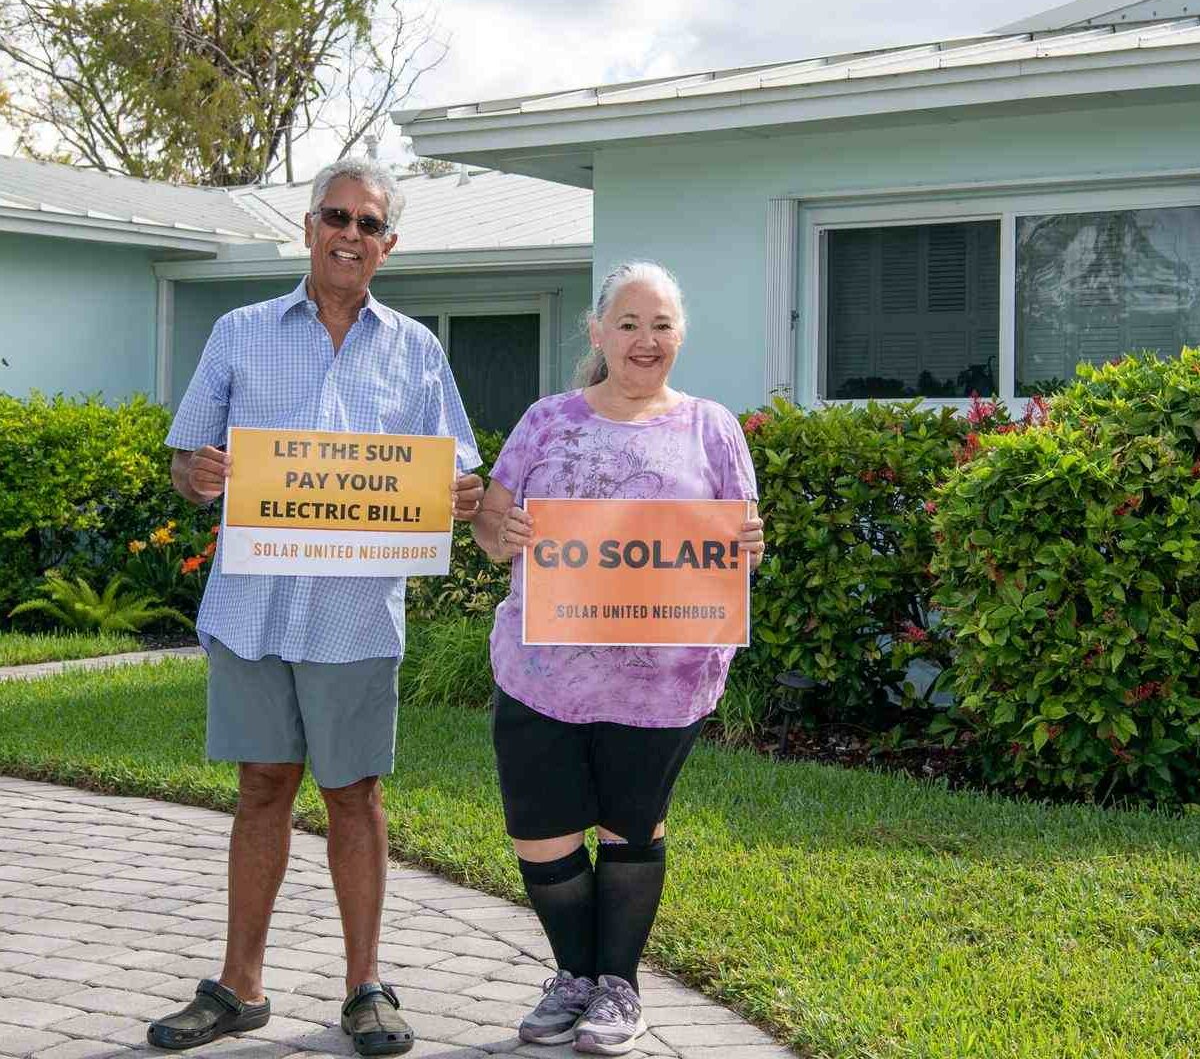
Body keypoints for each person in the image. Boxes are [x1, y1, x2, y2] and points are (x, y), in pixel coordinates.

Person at [146, 158, 483, 1057]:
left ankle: (366, 988)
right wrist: (200, 473)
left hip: (355, 613)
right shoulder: (239, 331)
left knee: (354, 793)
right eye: (337, 216)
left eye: (369, 224)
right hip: (253, 607)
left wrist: (456, 494)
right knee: (261, 788)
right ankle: (238, 987)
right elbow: (186, 464)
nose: (350, 235)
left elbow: (458, 473)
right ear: (307, 227)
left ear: (388, 245)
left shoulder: (417, 349)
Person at [471, 261, 764, 1055]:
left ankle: (617, 988)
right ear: (597, 333)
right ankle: (575, 977)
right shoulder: (546, 421)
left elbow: (739, 551)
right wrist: (506, 534)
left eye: (661, 324)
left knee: (632, 827)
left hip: (661, 682)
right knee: (542, 833)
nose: (645, 340)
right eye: (628, 324)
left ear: (681, 337)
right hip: (542, 673)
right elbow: (490, 526)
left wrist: (748, 547)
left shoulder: (712, 428)